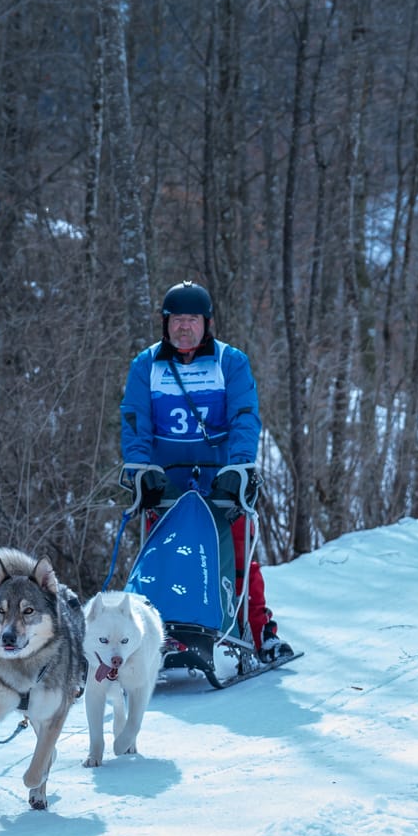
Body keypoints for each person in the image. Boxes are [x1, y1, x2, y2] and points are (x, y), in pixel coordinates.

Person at [120, 280, 290, 660]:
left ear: (207, 323)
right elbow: (135, 422)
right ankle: (162, 634)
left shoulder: (231, 362)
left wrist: (240, 467)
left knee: (237, 553)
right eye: (176, 320)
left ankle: (260, 633)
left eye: (192, 320)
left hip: (221, 478)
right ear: (165, 324)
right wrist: (140, 471)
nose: (184, 328)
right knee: (163, 558)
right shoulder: (145, 365)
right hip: (167, 481)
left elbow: (245, 417)